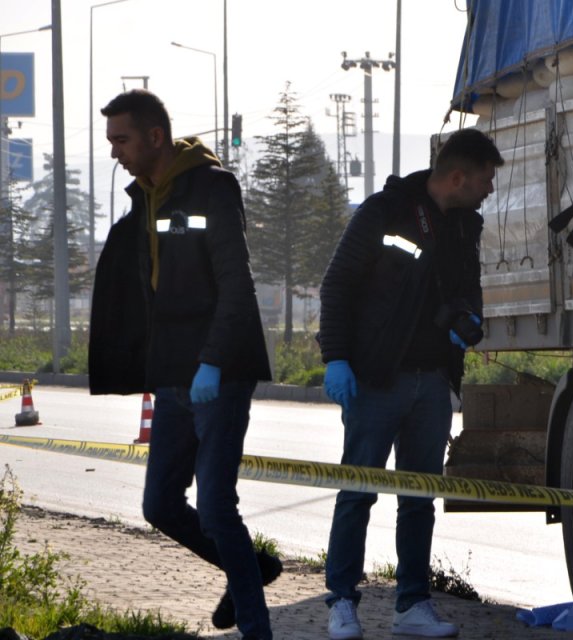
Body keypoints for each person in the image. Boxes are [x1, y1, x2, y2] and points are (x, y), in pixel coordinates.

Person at [88, 89, 279, 640]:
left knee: (217, 507)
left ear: (154, 136)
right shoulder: (145, 197)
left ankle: (258, 631)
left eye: (121, 140)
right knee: (160, 504)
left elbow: (236, 285)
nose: (115, 152)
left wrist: (213, 363)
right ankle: (252, 569)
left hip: (218, 373)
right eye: (110, 142)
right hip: (173, 377)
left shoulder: (212, 187)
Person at [318, 128, 503, 639]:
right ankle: (342, 604)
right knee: (358, 492)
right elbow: (336, 285)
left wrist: (469, 320)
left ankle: (412, 607)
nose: (490, 189)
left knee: (419, 498)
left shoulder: (466, 225)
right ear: (458, 176)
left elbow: (469, 288)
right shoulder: (385, 210)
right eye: (486, 179)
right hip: (377, 380)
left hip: (433, 380)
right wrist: (336, 359)